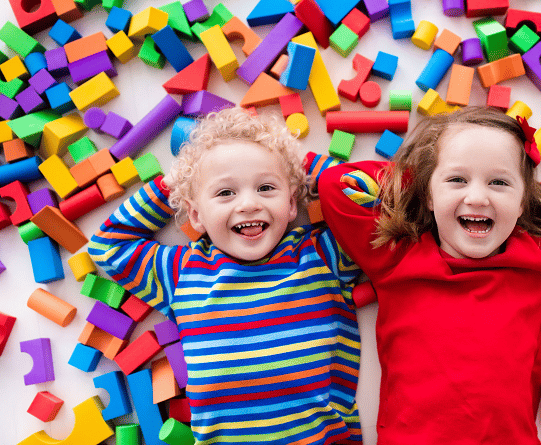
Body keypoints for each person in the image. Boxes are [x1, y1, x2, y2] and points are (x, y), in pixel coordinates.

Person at [313, 106, 541, 445]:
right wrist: (426, 180)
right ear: (429, 194)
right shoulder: (396, 258)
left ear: (523, 203)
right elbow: (335, 184)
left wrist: (522, 197)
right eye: (457, 180)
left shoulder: (540, 265)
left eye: (498, 182)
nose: (476, 197)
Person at [88, 107, 363, 445]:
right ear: (196, 214)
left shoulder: (320, 257)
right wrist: (174, 180)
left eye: (265, 188)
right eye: (225, 193)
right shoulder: (183, 273)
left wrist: (303, 165)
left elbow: (372, 208)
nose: (248, 204)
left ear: (292, 204)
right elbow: (108, 245)